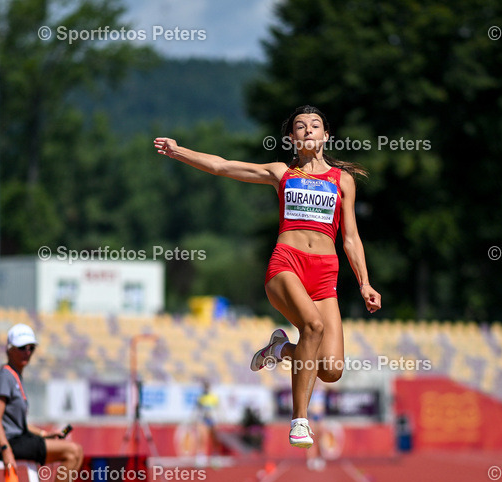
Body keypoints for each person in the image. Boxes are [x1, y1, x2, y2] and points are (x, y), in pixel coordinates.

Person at [154, 105, 382, 452]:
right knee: (313, 327)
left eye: (315, 126)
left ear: (326, 136)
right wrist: (178, 150)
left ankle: (280, 348)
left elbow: (350, 237)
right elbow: (221, 166)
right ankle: (299, 420)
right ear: (291, 138)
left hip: (325, 274)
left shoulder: (343, 181)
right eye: (300, 127)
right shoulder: (281, 173)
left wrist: (364, 282)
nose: (307, 130)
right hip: (287, 264)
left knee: (332, 369)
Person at [0, 324, 85, 482]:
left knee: (76, 451)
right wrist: (5, 450)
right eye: (22, 347)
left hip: (19, 438)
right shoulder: (4, 377)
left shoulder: (14, 376)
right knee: (72, 451)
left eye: (31, 348)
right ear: (9, 349)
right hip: (11, 442)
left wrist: (44, 434)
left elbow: (19, 423)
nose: (28, 352)